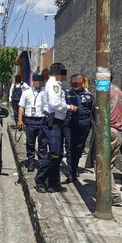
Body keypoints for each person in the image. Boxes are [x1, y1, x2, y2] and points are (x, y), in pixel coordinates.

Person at [35, 62, 78, 193]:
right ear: (59, 73)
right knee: (54, 153)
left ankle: (54, 183)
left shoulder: (56, 84)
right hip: (51, 123)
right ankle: (40, 179)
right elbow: (55, 103)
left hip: (57, 123)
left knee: (58, 155)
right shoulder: (54, 84)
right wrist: (68, 107)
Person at [64, 74, 94, 183]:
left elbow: (93, 110)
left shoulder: (89, 95)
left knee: (79, 148)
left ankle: (75, 166)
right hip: (70, 123)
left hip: (84, 123)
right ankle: (71, 171)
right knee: (70, 147)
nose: (76, 85)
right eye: (73, 82)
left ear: (82, 83)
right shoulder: (66, 93)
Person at [17, 73, 47, 172]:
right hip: (30, 121)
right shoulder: (26, 93)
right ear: (33, 82)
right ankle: (31, 161)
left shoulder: (45, 92)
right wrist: (20, 120)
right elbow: (21, 106)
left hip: (42, 120)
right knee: (30, 143)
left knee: (42, 143)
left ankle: (42, 163)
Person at [109, 77, 122, 206]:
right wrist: (118, 123)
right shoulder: (119, 91)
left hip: (107, 131)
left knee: (103, 165)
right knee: (109, 164)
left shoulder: (102, 91)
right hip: (117, 131)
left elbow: (96, 111)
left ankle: (114, 195)